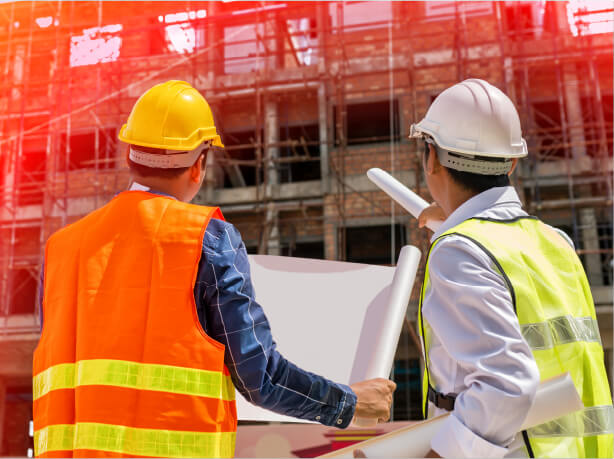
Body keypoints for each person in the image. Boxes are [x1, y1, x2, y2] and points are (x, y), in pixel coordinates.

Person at [32, 80, 396, 458]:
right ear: (199, 164)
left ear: (129, 155)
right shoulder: (205, 238)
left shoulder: (61, 249)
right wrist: (349, 402)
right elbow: (261, 378)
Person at [409, 79, 612, 458]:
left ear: (432, 157)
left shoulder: (459, 251)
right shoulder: (555, 241)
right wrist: (457, 216)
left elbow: (506, 384)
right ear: (513, 162)